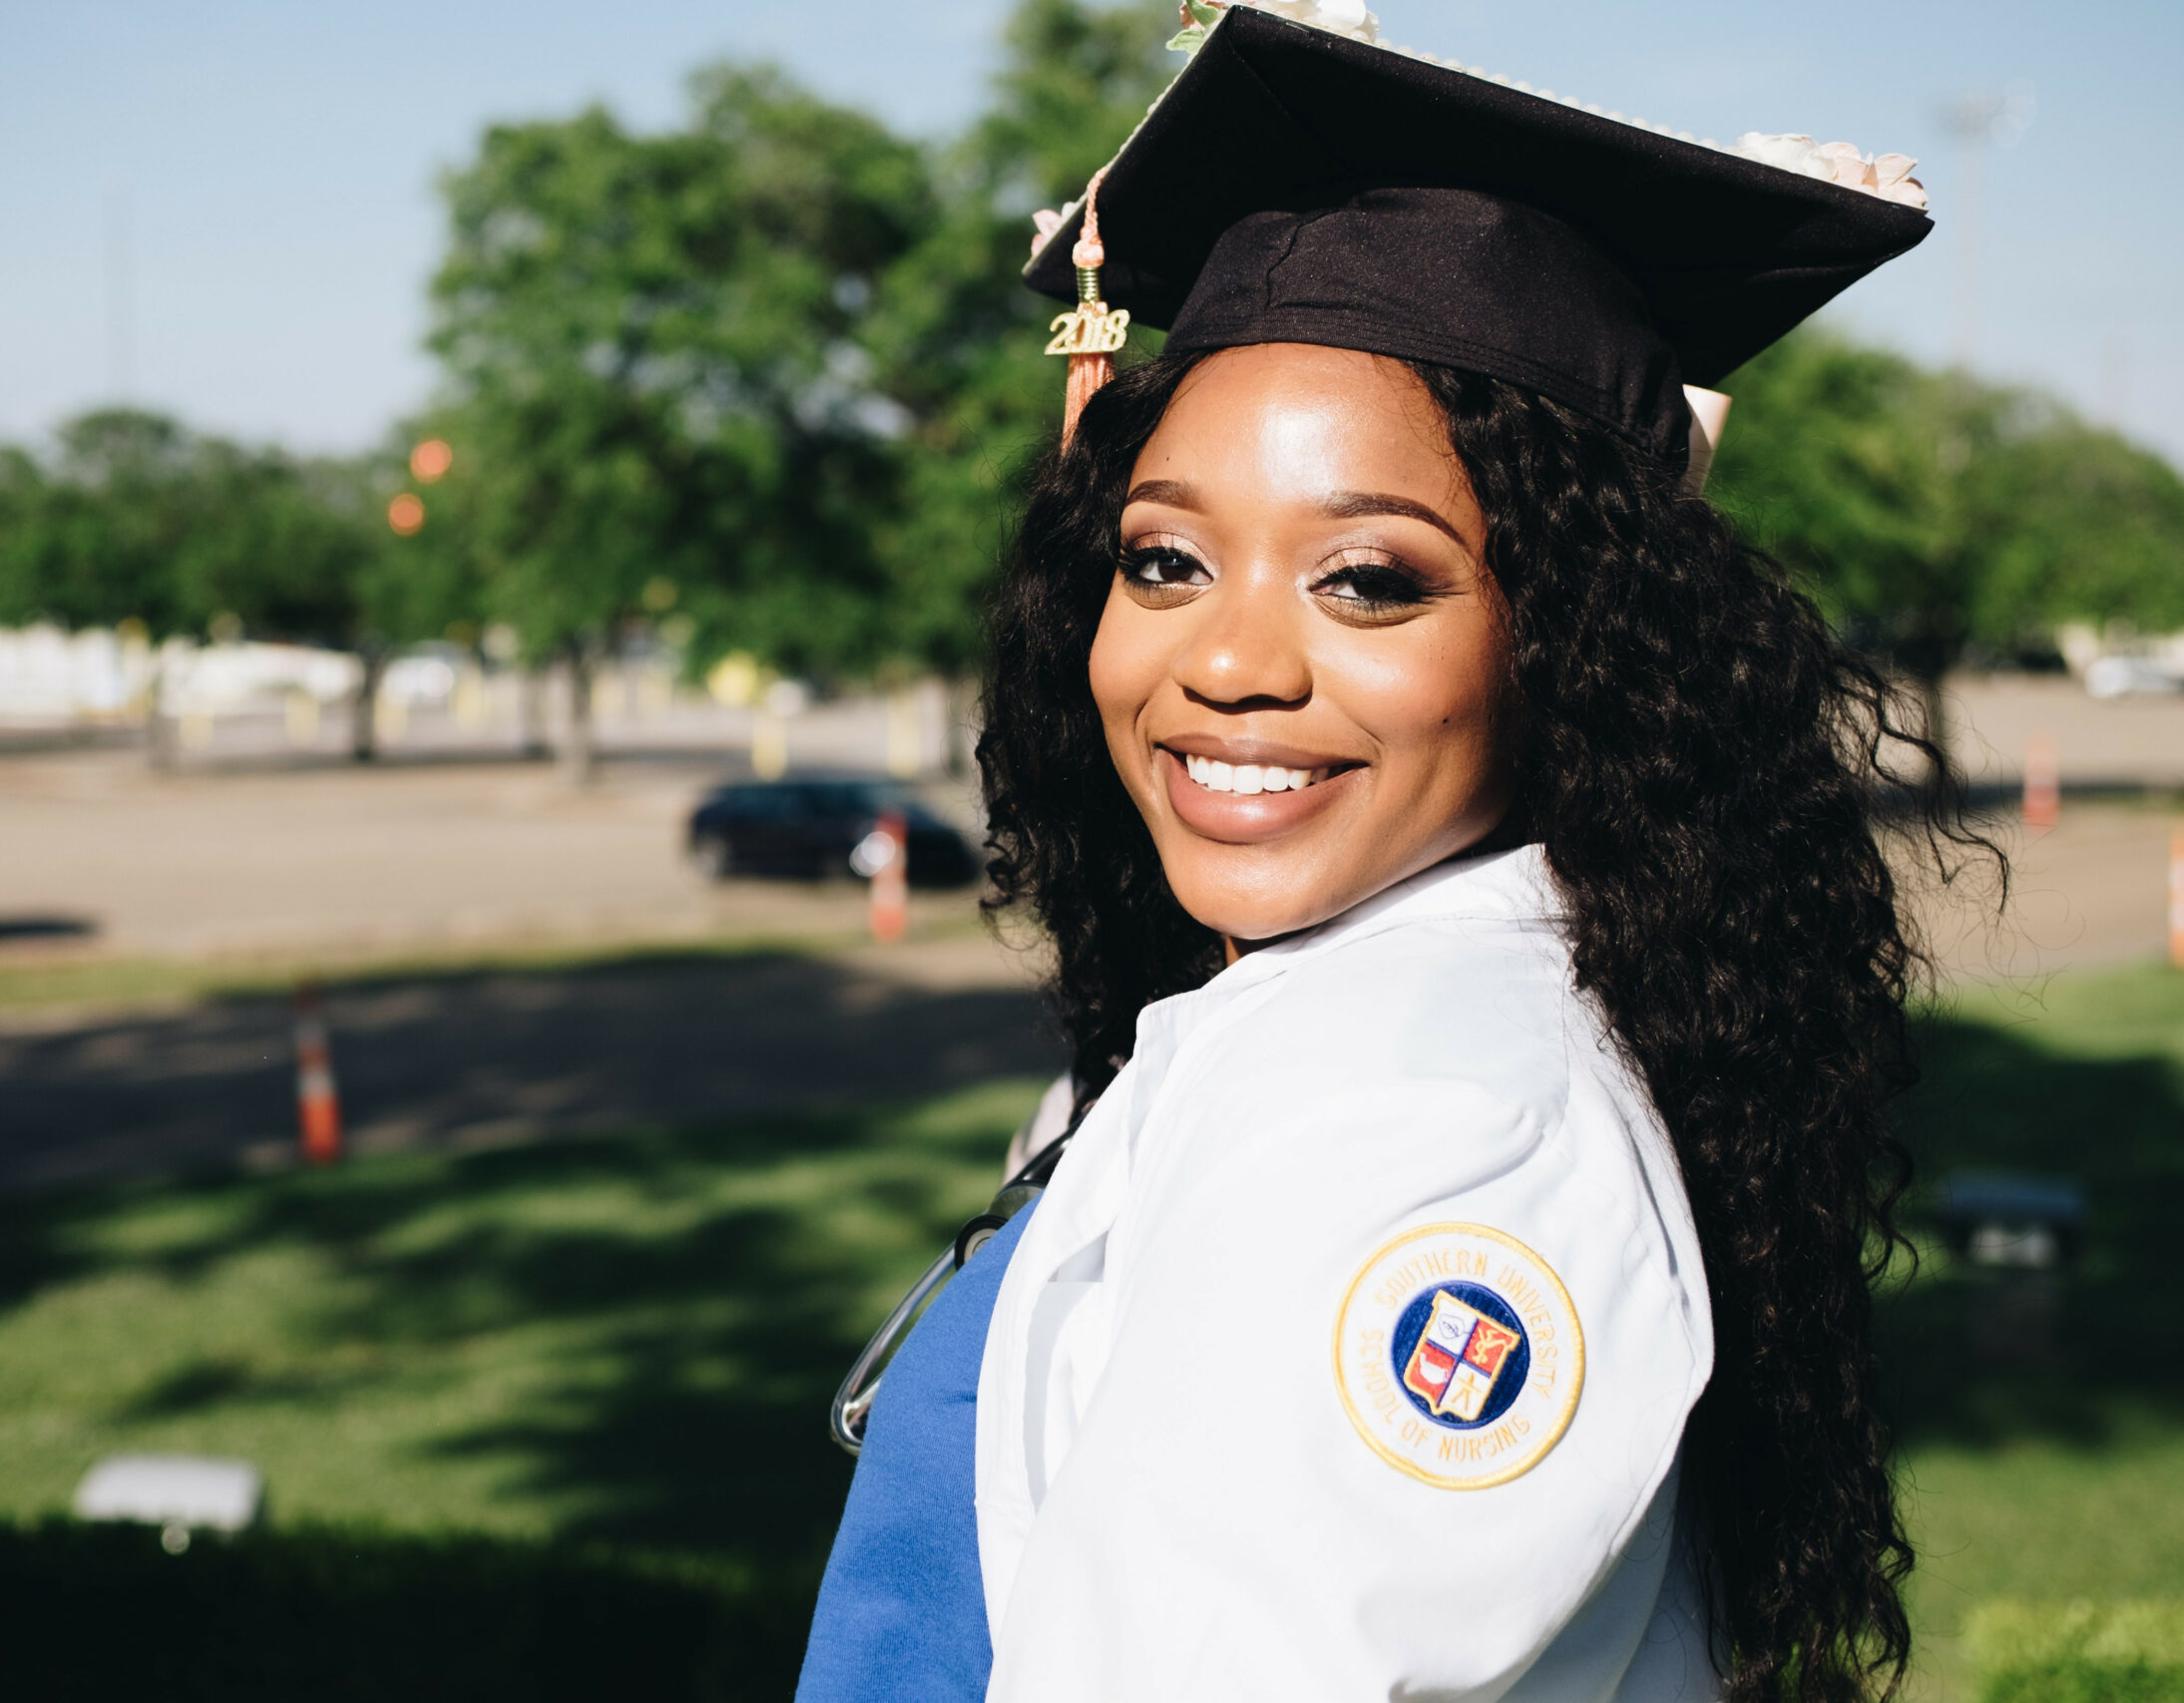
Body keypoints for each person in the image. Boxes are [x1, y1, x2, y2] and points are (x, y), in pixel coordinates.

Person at [800, 7, 1974, 1700]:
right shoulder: (1293, 1011)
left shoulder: (1425, 1116)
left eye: (1369, 579)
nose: (1228, 660)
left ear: (1574, 641)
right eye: (1165, 561)